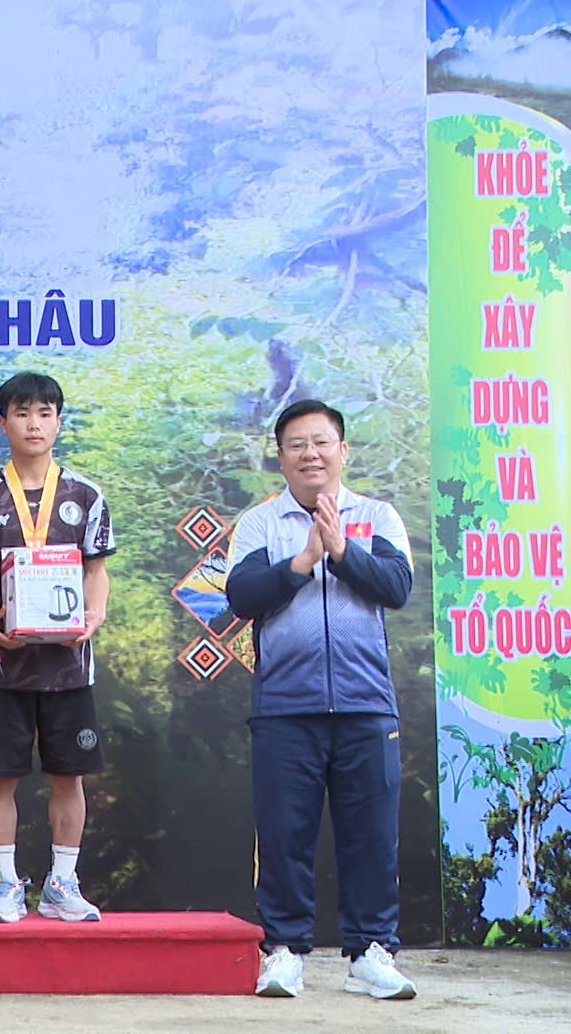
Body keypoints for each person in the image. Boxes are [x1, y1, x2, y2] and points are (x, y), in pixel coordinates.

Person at [225, 399, 416, 1000]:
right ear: (280, 456)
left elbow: (397, 587)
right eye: (297, 444)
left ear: (343, 450)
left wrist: (343, 550)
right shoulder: (259, 523)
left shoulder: (378, 516)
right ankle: (283, 951)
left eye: (321, 442)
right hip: (285, 706)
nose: (310, 453)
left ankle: (371, 953)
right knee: (284, 837)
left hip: (367, 704)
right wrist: (304, 561)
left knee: (371, 836)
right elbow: (242, 597)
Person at [0, 371, 112, 924]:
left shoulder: (86, 495)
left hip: (70, 664)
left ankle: (62, 884)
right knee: (1, 776)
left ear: (58, 422)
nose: (34, 424)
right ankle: (5, 886)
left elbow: (96, 569)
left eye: (45, 413)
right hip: (4, 665)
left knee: (69, 775)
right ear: (3, 423)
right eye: (22, 413)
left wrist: (95, 614)